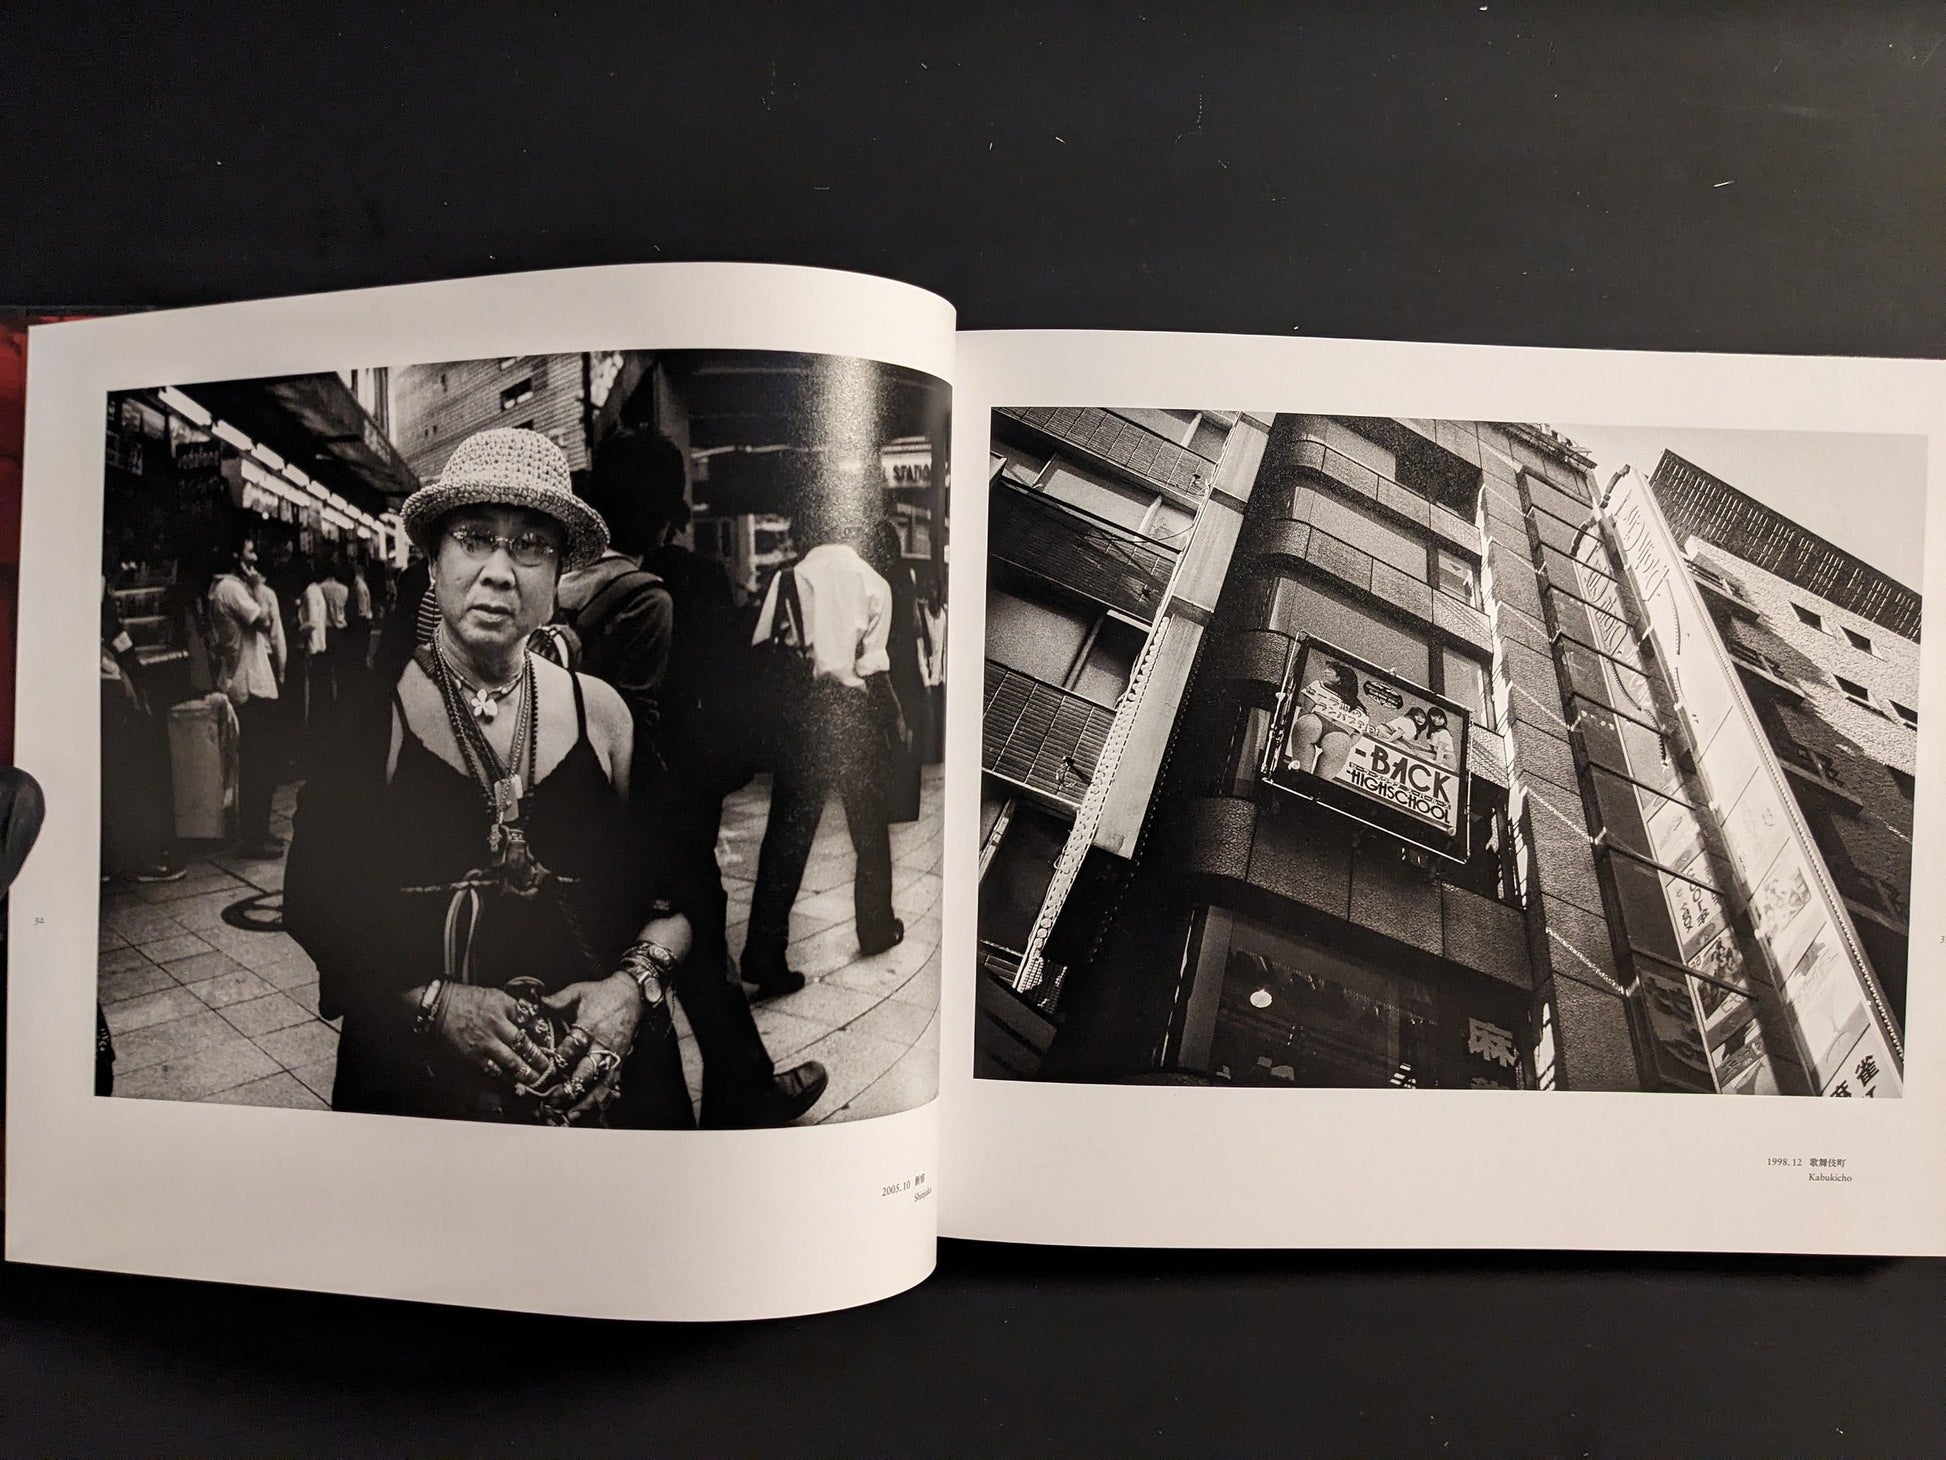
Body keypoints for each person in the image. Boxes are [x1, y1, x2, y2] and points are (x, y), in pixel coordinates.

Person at [284, 427, 693, 1126]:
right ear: (434, 563)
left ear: (558, 574)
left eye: (531, 545)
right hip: (422, 1094)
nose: (501, 571)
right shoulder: (374, 716)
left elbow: (686, 891)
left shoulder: (604, 716)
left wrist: (631, 990)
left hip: (603, 1094)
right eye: (474, 538)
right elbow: (314, 901)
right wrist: (439, 1005)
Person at [567, 429, 828, 1127]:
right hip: (673, 810)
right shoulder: (688, 583)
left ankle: (734, 1085)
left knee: (670, 948)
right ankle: (732, 1094)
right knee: (693, 943)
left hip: (581, 815)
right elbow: (722, 707)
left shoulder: (560, 585)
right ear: (666, 507)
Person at [742, 493, 909, 995]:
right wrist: (894, 720)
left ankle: (763, 951)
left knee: (786, 838)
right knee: (869, 827)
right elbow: (873, 667)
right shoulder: (874, 583)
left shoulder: (788, 580)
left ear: (808, 530)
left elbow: (761, 650)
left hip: (803, 719)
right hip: (854, 717)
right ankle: (875, 926)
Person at [206, 537, 287, 858]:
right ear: (236, 556)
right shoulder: (230, 589)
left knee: (262, 764)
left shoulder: (227, 589)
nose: (256, 559)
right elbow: (264, 622)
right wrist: (256, 588)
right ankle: (253, 839)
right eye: (250, 551)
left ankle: (260, 831)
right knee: (257, 766)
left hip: (253, 682)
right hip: (248, 685)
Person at [1288, 659, 1367, 781]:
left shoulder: (1318, 685)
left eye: (1329, 671)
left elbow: (1305, 709)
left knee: (1299, 774)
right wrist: (1343, 746)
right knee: (1319, 784)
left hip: (1313, 722)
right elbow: (1357, 734)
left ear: (1339, 679)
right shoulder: (1360, 707)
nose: (1324, 671)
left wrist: (1301, 727)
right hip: (1340, 736)